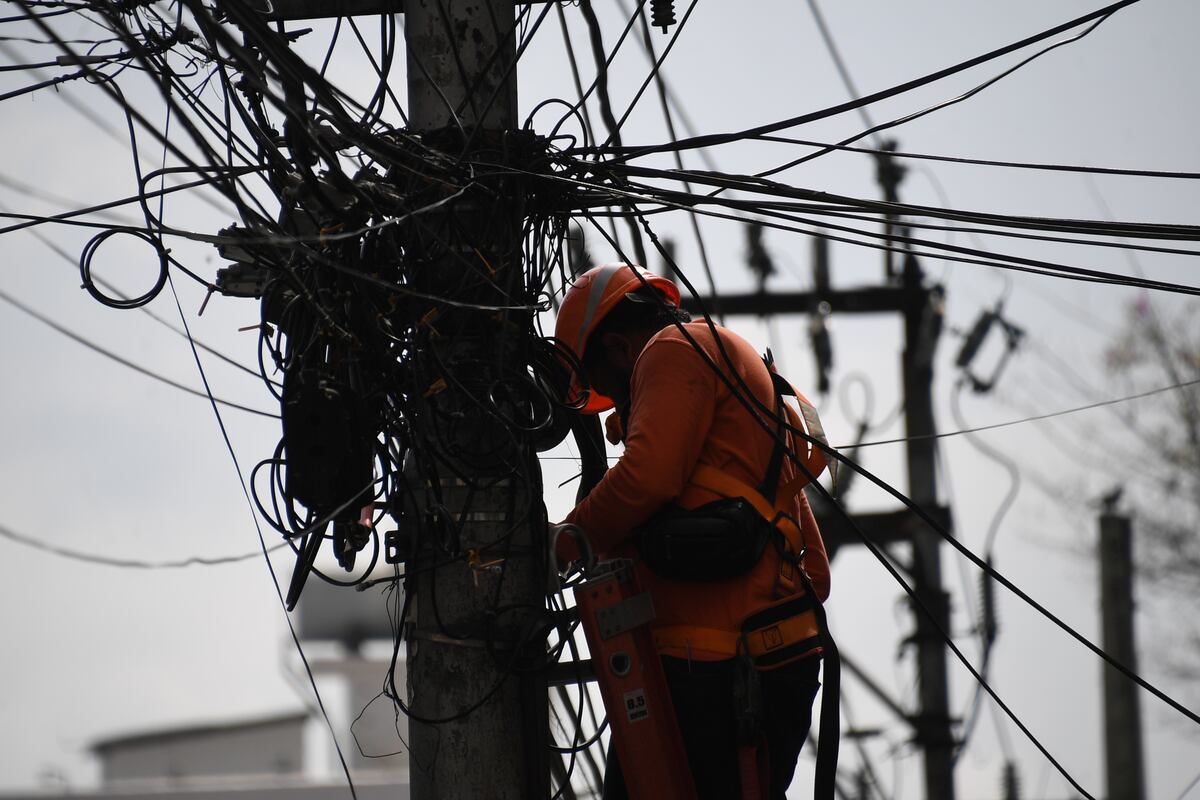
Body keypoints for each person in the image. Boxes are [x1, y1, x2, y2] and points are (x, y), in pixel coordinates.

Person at [552, 263, 833, 800]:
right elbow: (814, 571)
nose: (623, 407)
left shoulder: (671, 349)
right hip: (772, 666)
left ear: (615, 346)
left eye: (611, 391)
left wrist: (565, 543)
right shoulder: (734, 382)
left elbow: (647, 477)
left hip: (713, 674)